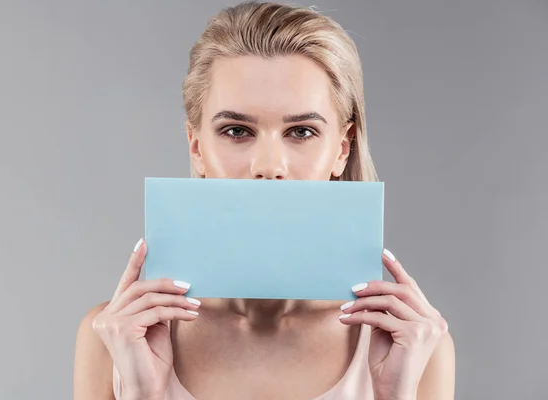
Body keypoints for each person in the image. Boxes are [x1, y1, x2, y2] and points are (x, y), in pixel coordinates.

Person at [73, 2, 455, 399]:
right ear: (197, 146)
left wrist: (396, 393)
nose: (269, 166)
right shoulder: (112, 337)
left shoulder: (414, 346)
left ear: (342, 149)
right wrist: (141, 392)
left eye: (302, 132)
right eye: (237, 130)